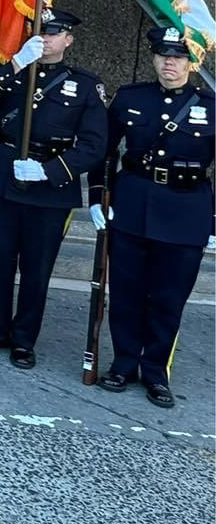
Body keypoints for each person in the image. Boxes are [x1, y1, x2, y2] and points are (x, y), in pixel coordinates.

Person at [0, 7, 107, 370]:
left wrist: (48, 171)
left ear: (68, 40)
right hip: (2, 174)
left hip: (50, 186)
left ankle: (24, 339)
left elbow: (94, 145)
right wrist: (17, 62)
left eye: (54, 32)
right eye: (40, 31)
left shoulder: (86, 85)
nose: (45, 38)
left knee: (37, 268)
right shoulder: (14, 70)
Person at [90, 27, 213, 408]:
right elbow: (104, 150)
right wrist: (98, 196)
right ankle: (124, 363)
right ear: (154, 58)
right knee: (126, 292)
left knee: (168, 297)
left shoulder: (211, 105)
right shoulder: (130, 97)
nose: (169, 63)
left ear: (192, 63)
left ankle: (156, 371)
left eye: (178, 57)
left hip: (187, 209)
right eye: (163, 56)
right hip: (133, 203)